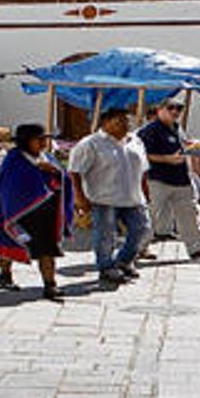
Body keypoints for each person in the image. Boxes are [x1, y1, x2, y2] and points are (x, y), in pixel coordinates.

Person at [135, 100, 200, 262]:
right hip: (158, 179)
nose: (175, 112)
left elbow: (181, 147)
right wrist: (167, 159)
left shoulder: (176, 128)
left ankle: (197, 247)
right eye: (171, 108)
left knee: (189, 213)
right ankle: (137, 248)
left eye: (179, 108)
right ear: (160, 110)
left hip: (180, 178)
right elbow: (143, 155)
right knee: (151, 215)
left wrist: (192, 148)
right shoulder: (150, 130)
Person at [68, 108, 151, 285]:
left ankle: (123, 260)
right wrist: (79, 197)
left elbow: (143, 169)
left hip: (133, 197)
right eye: (120, 121)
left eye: (127, 121)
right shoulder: (91, 144)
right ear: (105, 123)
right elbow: (75, 172)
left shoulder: (135, 141)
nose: (126, 125)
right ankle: (106, 267)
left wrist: (146, 190)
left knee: (143, 230)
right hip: (104, 198)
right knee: (106, 236)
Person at [0, 124, 73, 300]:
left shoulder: (48, 158)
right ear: (26, 142)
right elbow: (9, 187)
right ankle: (5, 274)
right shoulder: (14, 160)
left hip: (45, 214)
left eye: (45, 139)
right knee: (9, 244)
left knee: (48, 249)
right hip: (19, 213)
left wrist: (55, 172)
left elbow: (63, 177)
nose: (44, 143)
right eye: (39, 139)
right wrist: (37, 171)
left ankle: (50, 285)